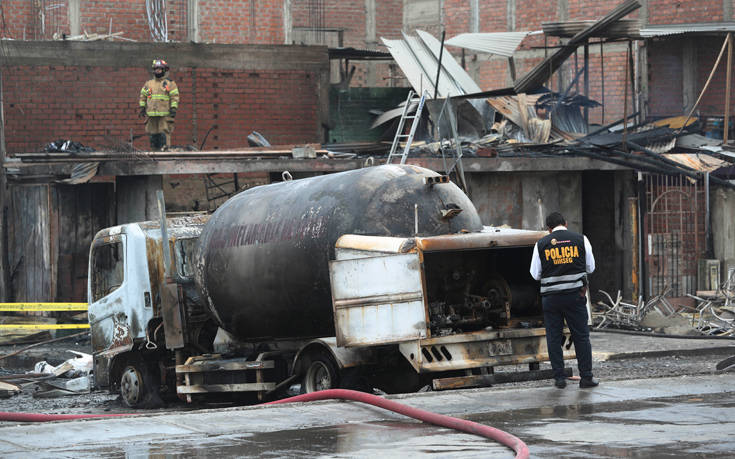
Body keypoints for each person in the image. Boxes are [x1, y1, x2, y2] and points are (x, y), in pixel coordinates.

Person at [530, 212, 598, 389]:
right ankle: (586, 378)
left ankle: (559, 379)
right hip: (575, 297)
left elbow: (535, 274)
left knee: (553, 337)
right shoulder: (581, 239)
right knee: (581, 336)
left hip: (551, 299)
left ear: (548, 228)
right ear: (566, 223)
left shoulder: (541, 244)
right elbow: (590, 267)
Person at [139, 59, 179, 150]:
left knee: (163, 134)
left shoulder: (169, 83)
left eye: (159, 69)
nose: (157, 71)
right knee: (153, 135)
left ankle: (165, 154)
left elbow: (174, 96)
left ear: (164, 70)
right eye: (156, 69)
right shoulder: (149, 84)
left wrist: (173, 108)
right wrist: (142, 107)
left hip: (164, 115)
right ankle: (155, 154)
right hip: (151, 115)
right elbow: (144, 95)